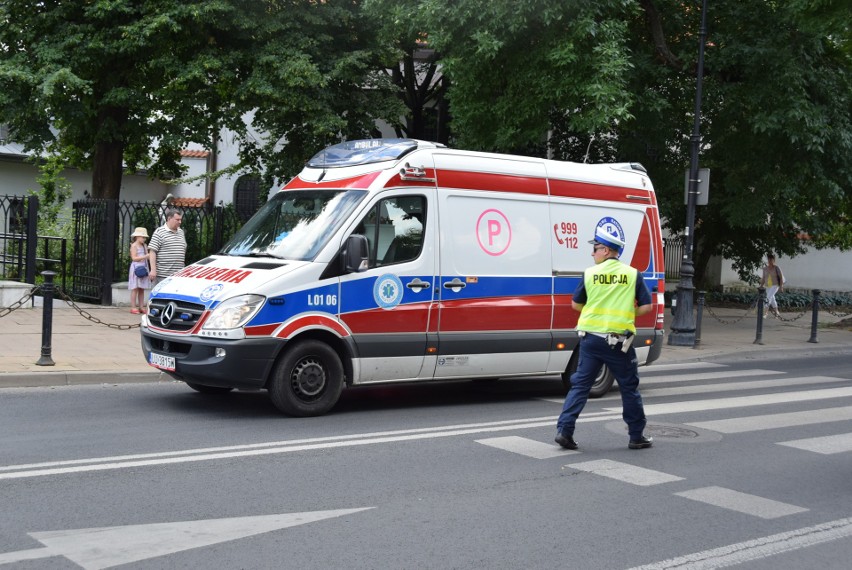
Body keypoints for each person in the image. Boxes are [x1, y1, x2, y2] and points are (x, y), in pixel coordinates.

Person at [555, 227, 654, 451]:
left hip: (591, 339)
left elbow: (575, 305)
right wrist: (628, 312)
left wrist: (595, 309)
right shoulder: (632, 274)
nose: (592, 253)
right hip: (619, 342)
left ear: (607, 250)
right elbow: (647, 307)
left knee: (580, 386)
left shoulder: (590, 273)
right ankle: (636, 436)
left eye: (595, 249)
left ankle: (564, 431)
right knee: (629, 387)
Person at [148, 208, 187, 285]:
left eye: (180, 220)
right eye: (177, 220)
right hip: (162, 276)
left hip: (179, 275)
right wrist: (153, 270)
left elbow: (183, 249)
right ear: (169, 219)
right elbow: (152, 251)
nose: (180, 222)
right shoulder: (159, 232)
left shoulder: (181, 232)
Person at [128, 227, 151, 314]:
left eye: (145, 237)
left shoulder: (144, 246)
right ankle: (133, 307)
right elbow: (134, 258)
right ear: (137, 236)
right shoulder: (134, 246)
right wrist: (145, 256)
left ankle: (141, 306)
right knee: (135, 288)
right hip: (136, 268)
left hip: (143, 268)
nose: (144, 239)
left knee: (142, 288)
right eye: (142, 237)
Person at [759, 253, 785, 317]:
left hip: (775, 285)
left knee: (768, 297)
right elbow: (763, 278)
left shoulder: (777, 268)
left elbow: (781, 278)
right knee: (772, 299)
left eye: (771, 259)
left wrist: (781, 287)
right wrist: (761, 286)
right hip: (768, 286)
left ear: (774, 260)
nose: (770, 261)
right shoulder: (765, 269)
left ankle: (765, 313)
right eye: (769, 259)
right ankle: (777, 312)